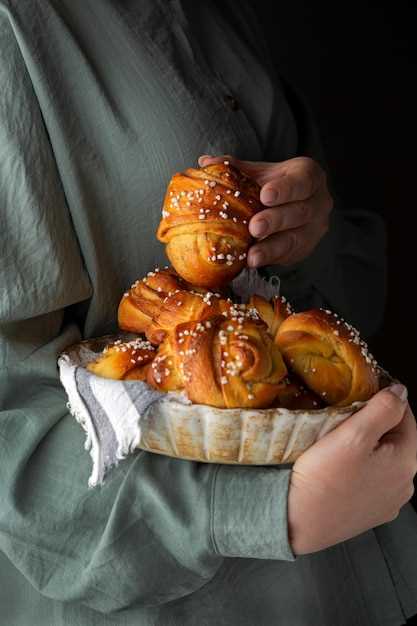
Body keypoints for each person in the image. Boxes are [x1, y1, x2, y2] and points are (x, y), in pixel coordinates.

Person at [1, 1, 416, 625]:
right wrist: (267, 512)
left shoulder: (223, 10)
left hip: (348, 562)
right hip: (176, 601)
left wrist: (306, 231)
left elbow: (309, 311)